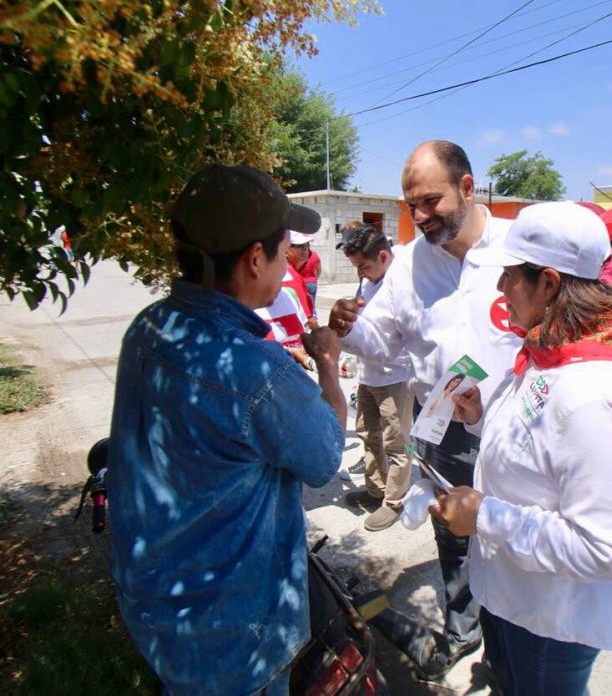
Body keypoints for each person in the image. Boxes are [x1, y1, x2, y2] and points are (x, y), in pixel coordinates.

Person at [107, 165, 346, 696]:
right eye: (284, 253)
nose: (287, 266)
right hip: (237, 636)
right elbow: (326, 455)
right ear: (254, 259)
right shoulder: (257, 372)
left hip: (158, 607)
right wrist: (326, 363)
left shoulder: (149, 328)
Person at [431, 201, 612, 696]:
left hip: (551, 620)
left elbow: (611, 546)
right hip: (517, 597)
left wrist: (485, 517)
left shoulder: (594, 396)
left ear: (550, 284)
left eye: (510, 276)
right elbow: (544, 446)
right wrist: (483, 419)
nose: (499, 289)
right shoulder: (555, 349)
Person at [329, 140, 523, 678]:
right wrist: (349, 328)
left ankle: (509, 654)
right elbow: (381, 342)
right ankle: (463, 631)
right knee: (455, 538)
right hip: (443, 430)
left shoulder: (518, 247)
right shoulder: (410, 264)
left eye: (430, 201)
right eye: (410, 203)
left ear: (467, 187)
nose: (418, 216)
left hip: (514, 426)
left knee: (513, 543)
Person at [341, 226, 415, 531]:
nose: (360, 272)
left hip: (395, 377)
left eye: (363, 265)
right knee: (368, 435)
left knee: (396, 443)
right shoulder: (370, 281)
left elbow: (400, 337)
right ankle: (376, 490)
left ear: (383, 256)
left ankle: (394, 501)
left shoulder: (404, 283)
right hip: (369, 375)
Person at [287, 231, 319, 318]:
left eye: (307, 244)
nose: (305, 248)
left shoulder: (290, 273)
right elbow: (307, 319)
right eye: (299, 245)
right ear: (285, 249)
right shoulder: (290, 277)